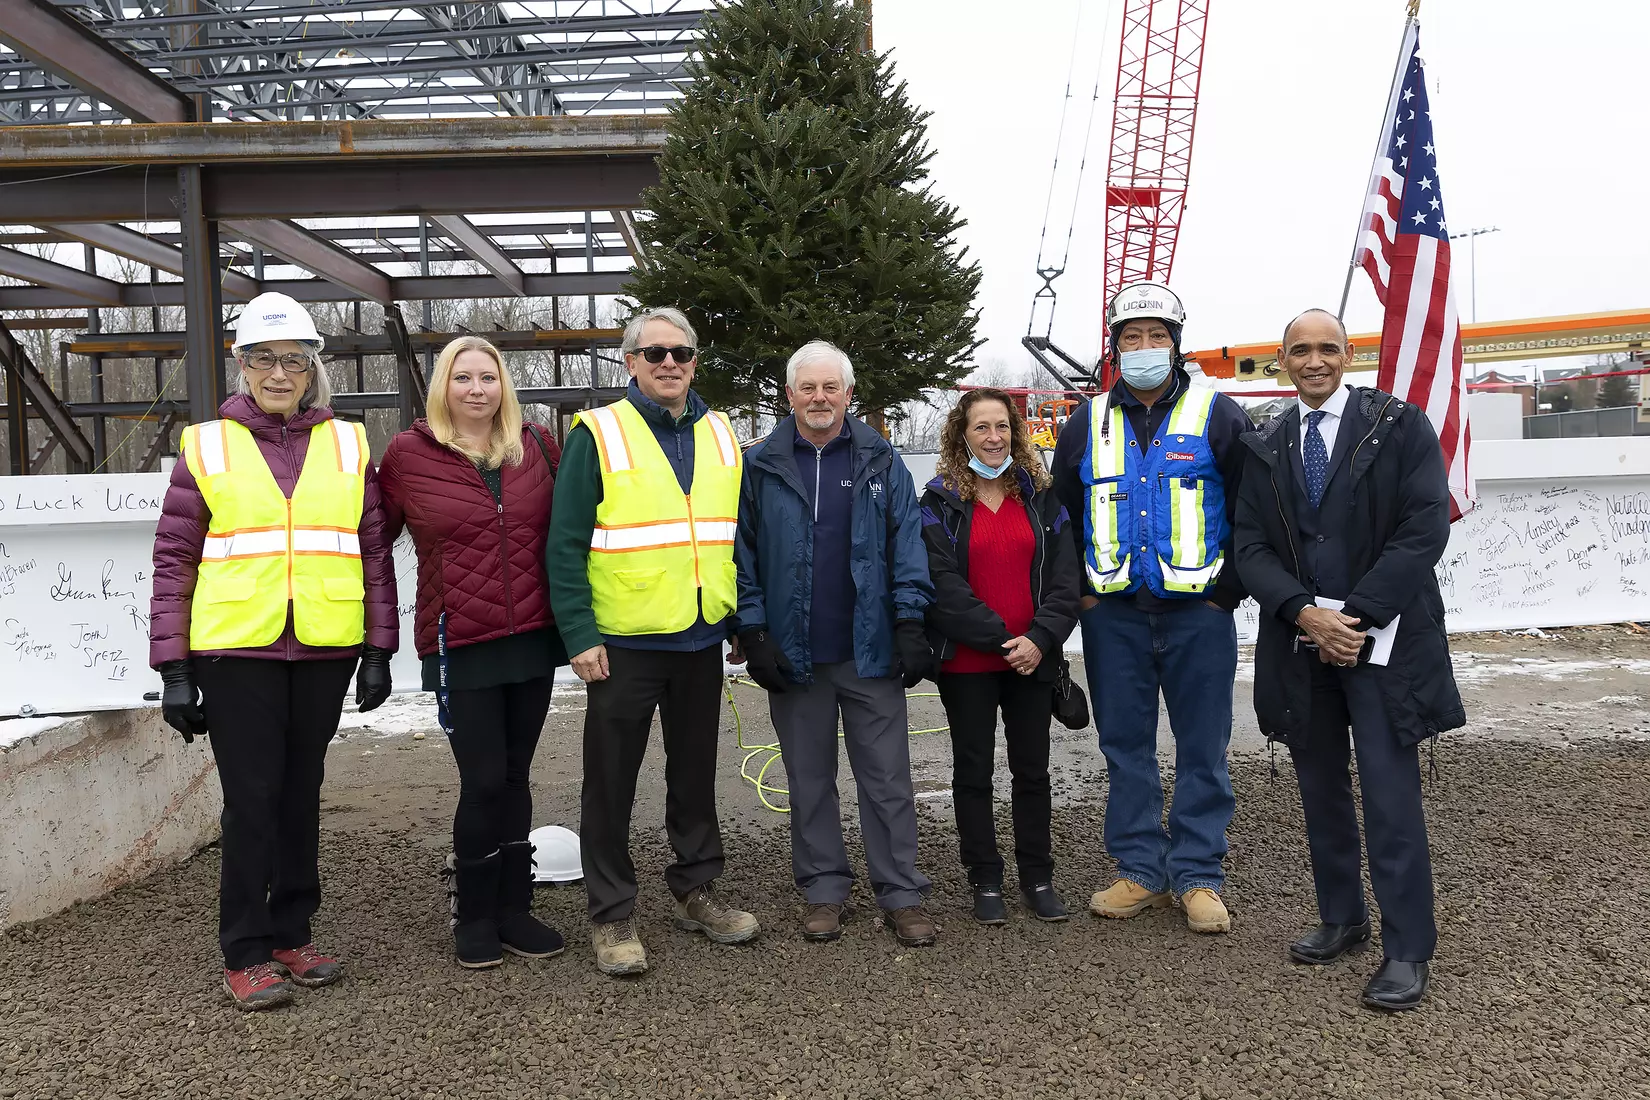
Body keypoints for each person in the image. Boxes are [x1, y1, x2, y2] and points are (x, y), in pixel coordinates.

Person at [148, 291, 397, 1011]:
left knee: (300, 797)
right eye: (264, 359)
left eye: (294, 359)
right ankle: (246, 950)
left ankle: (293, 931)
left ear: (314, 366)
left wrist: (378, 648)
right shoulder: (207, 446)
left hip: (323, 648)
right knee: (250, 801)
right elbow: (174, 561)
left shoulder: (349, 444)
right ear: (242, 364)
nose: (280, 373)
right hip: (236, 651)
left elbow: (372, 552)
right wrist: (174, 668)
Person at [1234, 308, 1463, 1012]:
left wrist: (1354, 617)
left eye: (1327, 349)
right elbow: (1248, 546)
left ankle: (1406, 947)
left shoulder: (1400, 426)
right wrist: (1306, 614)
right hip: (1303, 642)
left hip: (1384, 642)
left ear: (1348, 354)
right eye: (1299, 350)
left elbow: (1423, 528)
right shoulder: (1265, 437)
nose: (1313, 361)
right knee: (1320, 787)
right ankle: (1342, 917)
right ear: (1282, 360)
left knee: (1391, 796)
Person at [545, 306, 759, 976]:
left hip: (699, 638)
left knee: (694, 775)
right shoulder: (599, 434)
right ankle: (611, 916)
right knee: (611, 782)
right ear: (630, 361)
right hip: (624, 642)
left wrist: (736, 620)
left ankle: (696, 890)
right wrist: (579, 634)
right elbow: (566, 543)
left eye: (683, 353)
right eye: (655, 352)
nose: (670, 364)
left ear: (695, 362)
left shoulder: (723, 433)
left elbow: (734, 538)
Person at [1050, 280, 1252, 935]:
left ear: (1176, 346)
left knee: (1203, 748)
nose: (1143, 348)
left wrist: (1228, 595)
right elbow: (1064, 517)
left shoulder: (1218, 415)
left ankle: (1197, 876)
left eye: (1156, 337)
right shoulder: (1086, 422)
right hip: (1113, 618)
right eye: (1131, 338)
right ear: (1114, 348)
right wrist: (1081, 593)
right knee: (1125, 748)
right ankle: (1141, 868)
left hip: (1200, 616)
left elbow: (1253, 514)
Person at [733, 340, 938, 947]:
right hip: (794, 656)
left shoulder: (881, 460)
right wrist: (754, 627)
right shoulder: (761, 466)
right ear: (789, 393)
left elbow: (908, 546)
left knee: (887, 780)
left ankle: (900, 891)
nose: (819, 398)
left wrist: (909, 621)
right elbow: (740, 552)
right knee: (808, 778)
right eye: (808, 388)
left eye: (831, 388)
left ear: (849, 394)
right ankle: (823, 888)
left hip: (869, 650)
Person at [378, 336, 566, 970]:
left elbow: (574, 531)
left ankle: (516, 908)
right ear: (443, 387)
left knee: (515, 777)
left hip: (533, 639)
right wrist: (374, 638)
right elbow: (371, 543)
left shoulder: (537, 446)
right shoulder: (408, 455)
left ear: (503, 386)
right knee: (482, 780)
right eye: (464, 378)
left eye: (489, 377)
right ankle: (475, 911)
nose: (477, 389)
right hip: (461, 644)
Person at [920, 388, 1081, 925]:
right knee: (973, 773)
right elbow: (939, 584)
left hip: (1035, 658)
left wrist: (1039, 638)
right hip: (969, 662)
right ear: (960, 436)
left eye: (1002, 427)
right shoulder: (940, 500)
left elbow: (1065, 577)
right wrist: (999, 638)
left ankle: (1037, 876)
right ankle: (984, 878)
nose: (993, 438)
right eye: (981, 428)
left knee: (1032, 771)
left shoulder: (1040, 495)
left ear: (1015, 432)